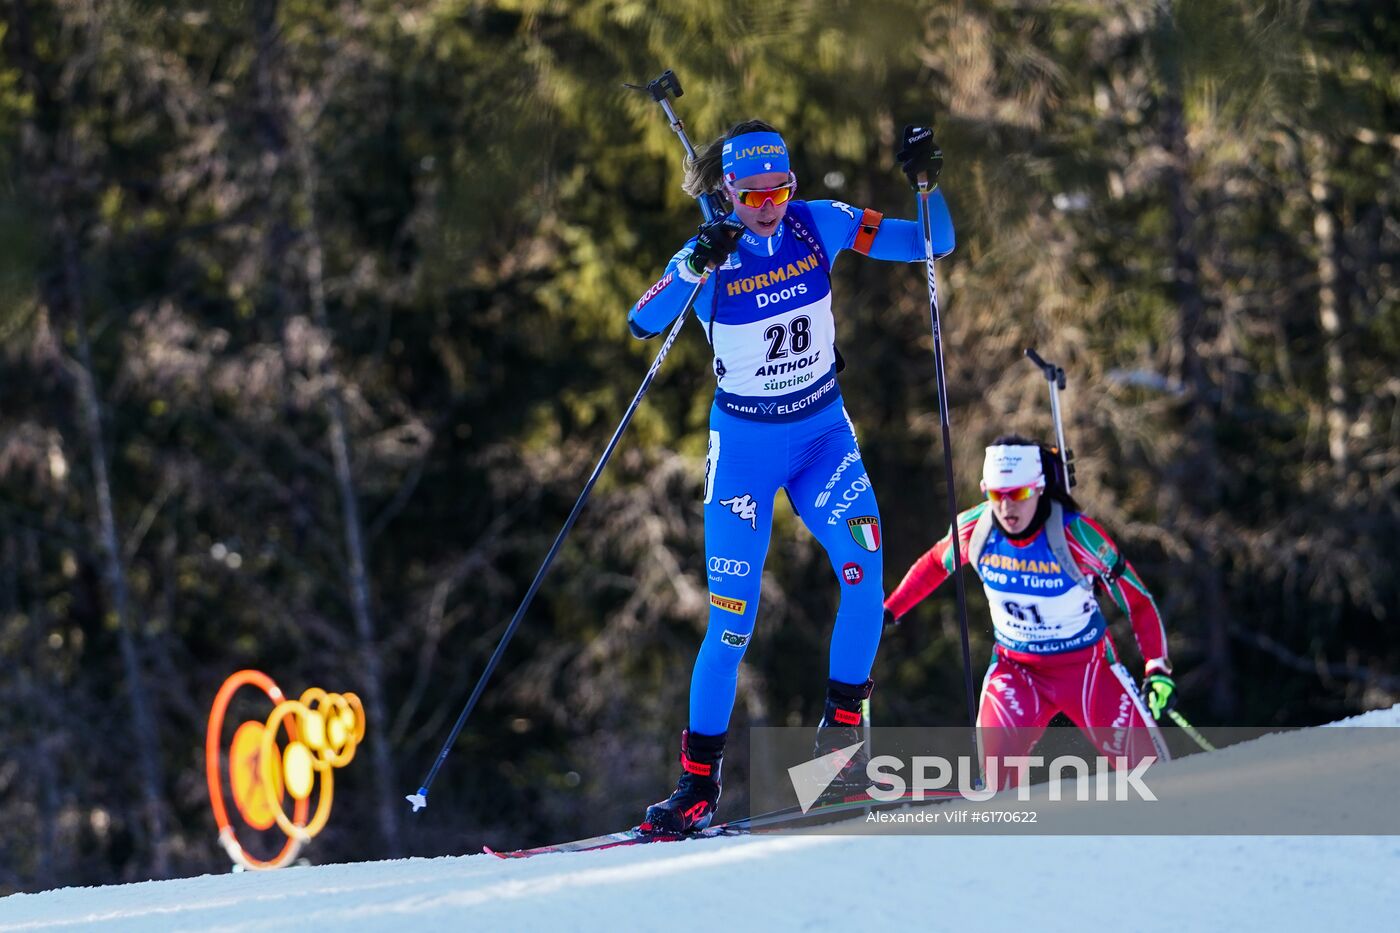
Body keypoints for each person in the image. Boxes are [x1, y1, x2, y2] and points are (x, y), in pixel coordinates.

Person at [627, 121, 954, 832]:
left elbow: (932, 241)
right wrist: (690, 269)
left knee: (866, 572)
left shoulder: (819, 224)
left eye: (779, 190)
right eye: (752, 195)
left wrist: (927, 185)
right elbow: (641, 321)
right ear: (728, 193)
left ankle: (839, 755)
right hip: (744, 452)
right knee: (731, 625)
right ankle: (696, 786)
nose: (768, 206)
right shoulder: (709, 253)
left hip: (821, 438)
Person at [885, 436, 1177, 788]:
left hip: (1087, 669)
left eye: (1018, 494)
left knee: (1157, 779)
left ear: (1039, 488)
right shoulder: (976, 529)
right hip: (1016, 671)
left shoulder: (1076, 535)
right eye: (996, 494)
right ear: (984, 490)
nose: (1007, 507)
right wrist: (889, 610)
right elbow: (935, 563)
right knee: (996, 787)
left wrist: (1157, 667)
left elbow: (1138, 599)